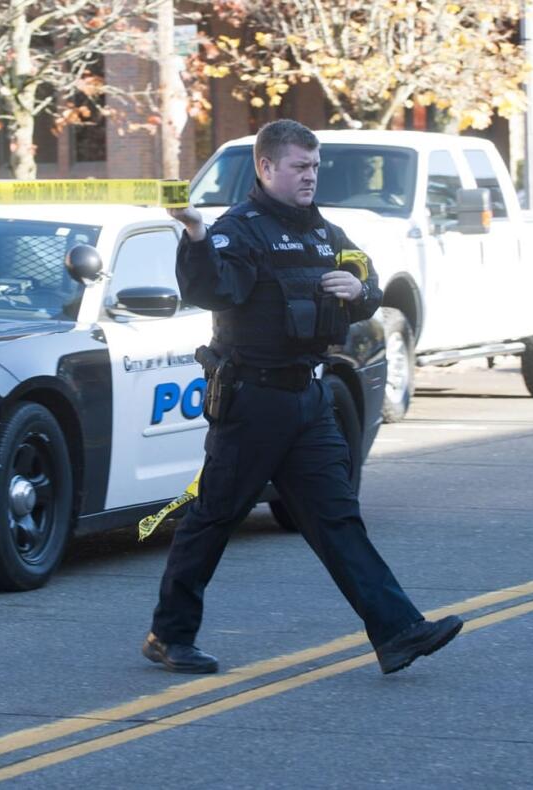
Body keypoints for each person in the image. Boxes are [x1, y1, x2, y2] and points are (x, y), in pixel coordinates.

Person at [143, 119, 462, 676]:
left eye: (314, 166)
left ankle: (398, 631)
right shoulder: (235, 231)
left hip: (309, 400)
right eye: (299, 166)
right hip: (254, 402)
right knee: (214, 517)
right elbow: (209, 289)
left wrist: (360, 291)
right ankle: (170, 635)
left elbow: (367, 279)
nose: (310, 176)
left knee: (338, 519)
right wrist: (193, 234)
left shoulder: (323, 233)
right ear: (266, 168)